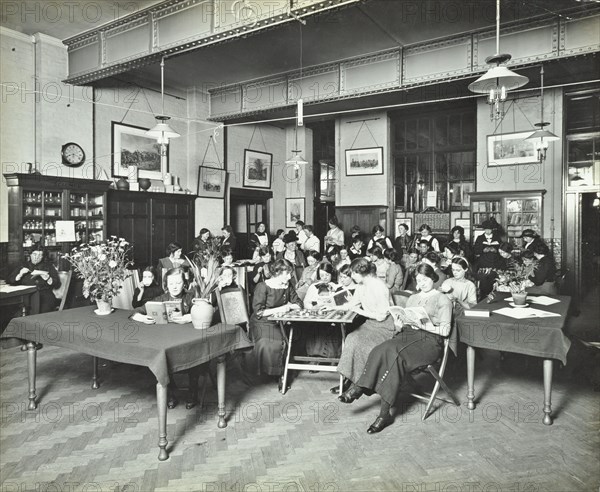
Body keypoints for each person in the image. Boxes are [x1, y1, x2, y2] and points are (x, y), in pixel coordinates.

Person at [337, 264, 453, 434]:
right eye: (419, 280)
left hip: (429, 342)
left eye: (425, 279)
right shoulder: (413, 298)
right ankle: (368, 395)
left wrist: (424, 325)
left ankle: (377, 406)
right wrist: (400, 323)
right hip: (408, 335)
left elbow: (445, 331)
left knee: (394, 355)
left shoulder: (443, 299)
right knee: (380, 349)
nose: (422, 283)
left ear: (433, 279)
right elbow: (404, 323)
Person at [132, 267, 196, 409]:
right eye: (171, 283)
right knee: (162, 360)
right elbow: (136, 312)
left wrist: (189, 316)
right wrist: (143, 318)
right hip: (168, 340)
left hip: (189, 340)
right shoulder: (161, 299)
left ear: (184, 283)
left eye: (178, 283)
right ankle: (172, 393)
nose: (174, 287)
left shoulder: (191, 297)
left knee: (196, 356)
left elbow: (207, 312)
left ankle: (193, 392)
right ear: (166, 284)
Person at [333, 258, 396, 391]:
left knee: (363, 344)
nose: (352, 276)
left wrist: (360, 311)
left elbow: (381, 316)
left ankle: (362, 383)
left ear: (359, 272)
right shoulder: (361, 286)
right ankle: (349, 379)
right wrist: (331, 306)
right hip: (371, 324)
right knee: (351, 338)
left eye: (353, 274)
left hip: (385, 326)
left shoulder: (379, 286)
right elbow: (352, 305)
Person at [245, 259, 302, 383]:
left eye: (290, 273)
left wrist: (289, 307)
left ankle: (281, 373)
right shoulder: (263, 286)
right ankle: (275, 373)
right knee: (270, 343)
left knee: (285, 342)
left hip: (280, 321)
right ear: (277, 273)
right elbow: (259, 311)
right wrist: (282, 308)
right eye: (287, 273)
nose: (290, 276)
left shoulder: (287, 285)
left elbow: (298, 303)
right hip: (262, 322)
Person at [304, 263, 342, 359]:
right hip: (317, 316)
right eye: (321, 275)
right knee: (315, 329)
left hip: (333, 316)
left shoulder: (337, 287)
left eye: (327, 275)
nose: (324, 278)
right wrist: (313, 307)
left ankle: (332, 356)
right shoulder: (313, 287)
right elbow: (306, 303)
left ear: (332, 274)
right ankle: (315, 356)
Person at [8, 245, 60, 314]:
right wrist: (20, 274)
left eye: (40, 255)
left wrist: (48, 278)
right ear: (30, 255)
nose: (37, 257)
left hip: (44, 296)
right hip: (25, 295)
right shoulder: (23, 265)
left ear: (43, 257)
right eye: (34, 254)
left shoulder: (48, 266)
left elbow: (56, 283)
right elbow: (10, 280)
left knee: (41, 313)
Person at [473, 219, 503, 298]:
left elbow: (502, 248)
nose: (488, 231)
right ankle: (483, 297)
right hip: (483, 263)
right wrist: (483, 250)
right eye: (486, 229)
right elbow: (475, 250)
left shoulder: (497, 237)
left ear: (492, 229)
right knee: (484, 282)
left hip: (494, 262)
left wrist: (495, 249)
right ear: (484, 229)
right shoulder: (480, 238)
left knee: (493, 280)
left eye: (490, 229)